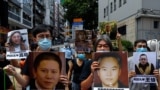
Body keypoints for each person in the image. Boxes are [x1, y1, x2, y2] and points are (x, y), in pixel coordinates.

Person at [3, 24, 69, 89]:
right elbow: (25, 83)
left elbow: (65, 83)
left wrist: (66, 82)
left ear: (51, 38)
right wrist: (15, 74)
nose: (45, 39)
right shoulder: (30, 58)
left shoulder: (60, 58)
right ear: (35, 39)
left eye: (47, 36)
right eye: (41, 36)